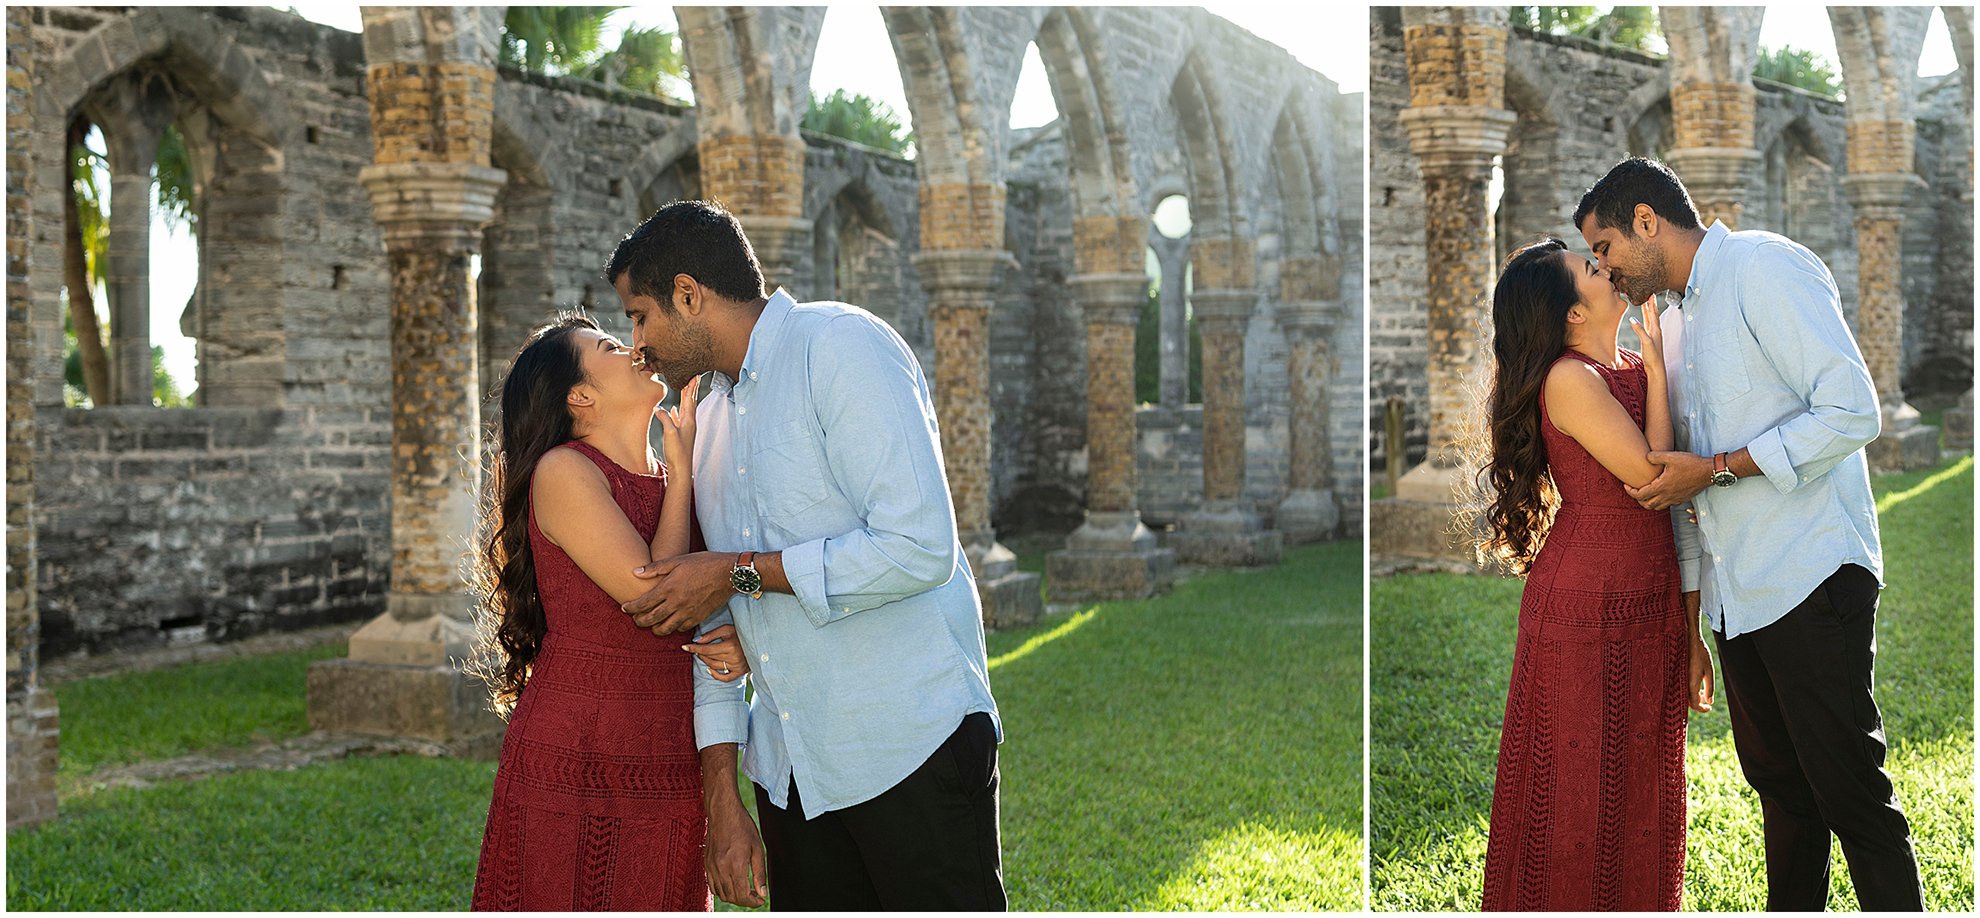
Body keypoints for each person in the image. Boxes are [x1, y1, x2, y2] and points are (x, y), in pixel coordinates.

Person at [606, 200, 1006, 910]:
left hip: (910, 745)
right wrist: (722, 798)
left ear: (689, 295)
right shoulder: (707, 421)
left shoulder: (842, 346)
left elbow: (919, 546)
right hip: (790, 775)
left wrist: (740, 572)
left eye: (640, 317)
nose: (636, 345)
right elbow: (711, 622)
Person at [1576, 156, 1922, 911]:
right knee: (1781, 792)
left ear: (1646, 221)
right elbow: (1685, 486)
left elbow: (1851, 411)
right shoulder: (1670, 322)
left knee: (1850, 793)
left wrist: (1720, 467)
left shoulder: (1766, 267)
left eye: (1604, 248)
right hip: (1738, 597)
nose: (1603, 269)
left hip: (1811, 572)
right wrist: (1695, 623)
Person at [469, 314, 749, 911]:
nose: (636, 347)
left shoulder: (676, 474)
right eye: (611, 346)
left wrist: (739, 639)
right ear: (581, 396)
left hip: (669, 748)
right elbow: (656, 599)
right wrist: (682, 472)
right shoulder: (564, 470)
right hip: (578, 751)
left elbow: (711, 594)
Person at [1473, 237, 1709, 911]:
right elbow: (1654, 478)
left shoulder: (1628, 365)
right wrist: (1659, 373)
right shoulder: (1569, 380)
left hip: (1651, 601)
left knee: (1644, 784)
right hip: (1582, 608)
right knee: (1575, 792)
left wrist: (1692, 631)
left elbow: (1678, 518)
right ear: (1573, 312)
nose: (1604, 266)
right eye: (1589, 266)